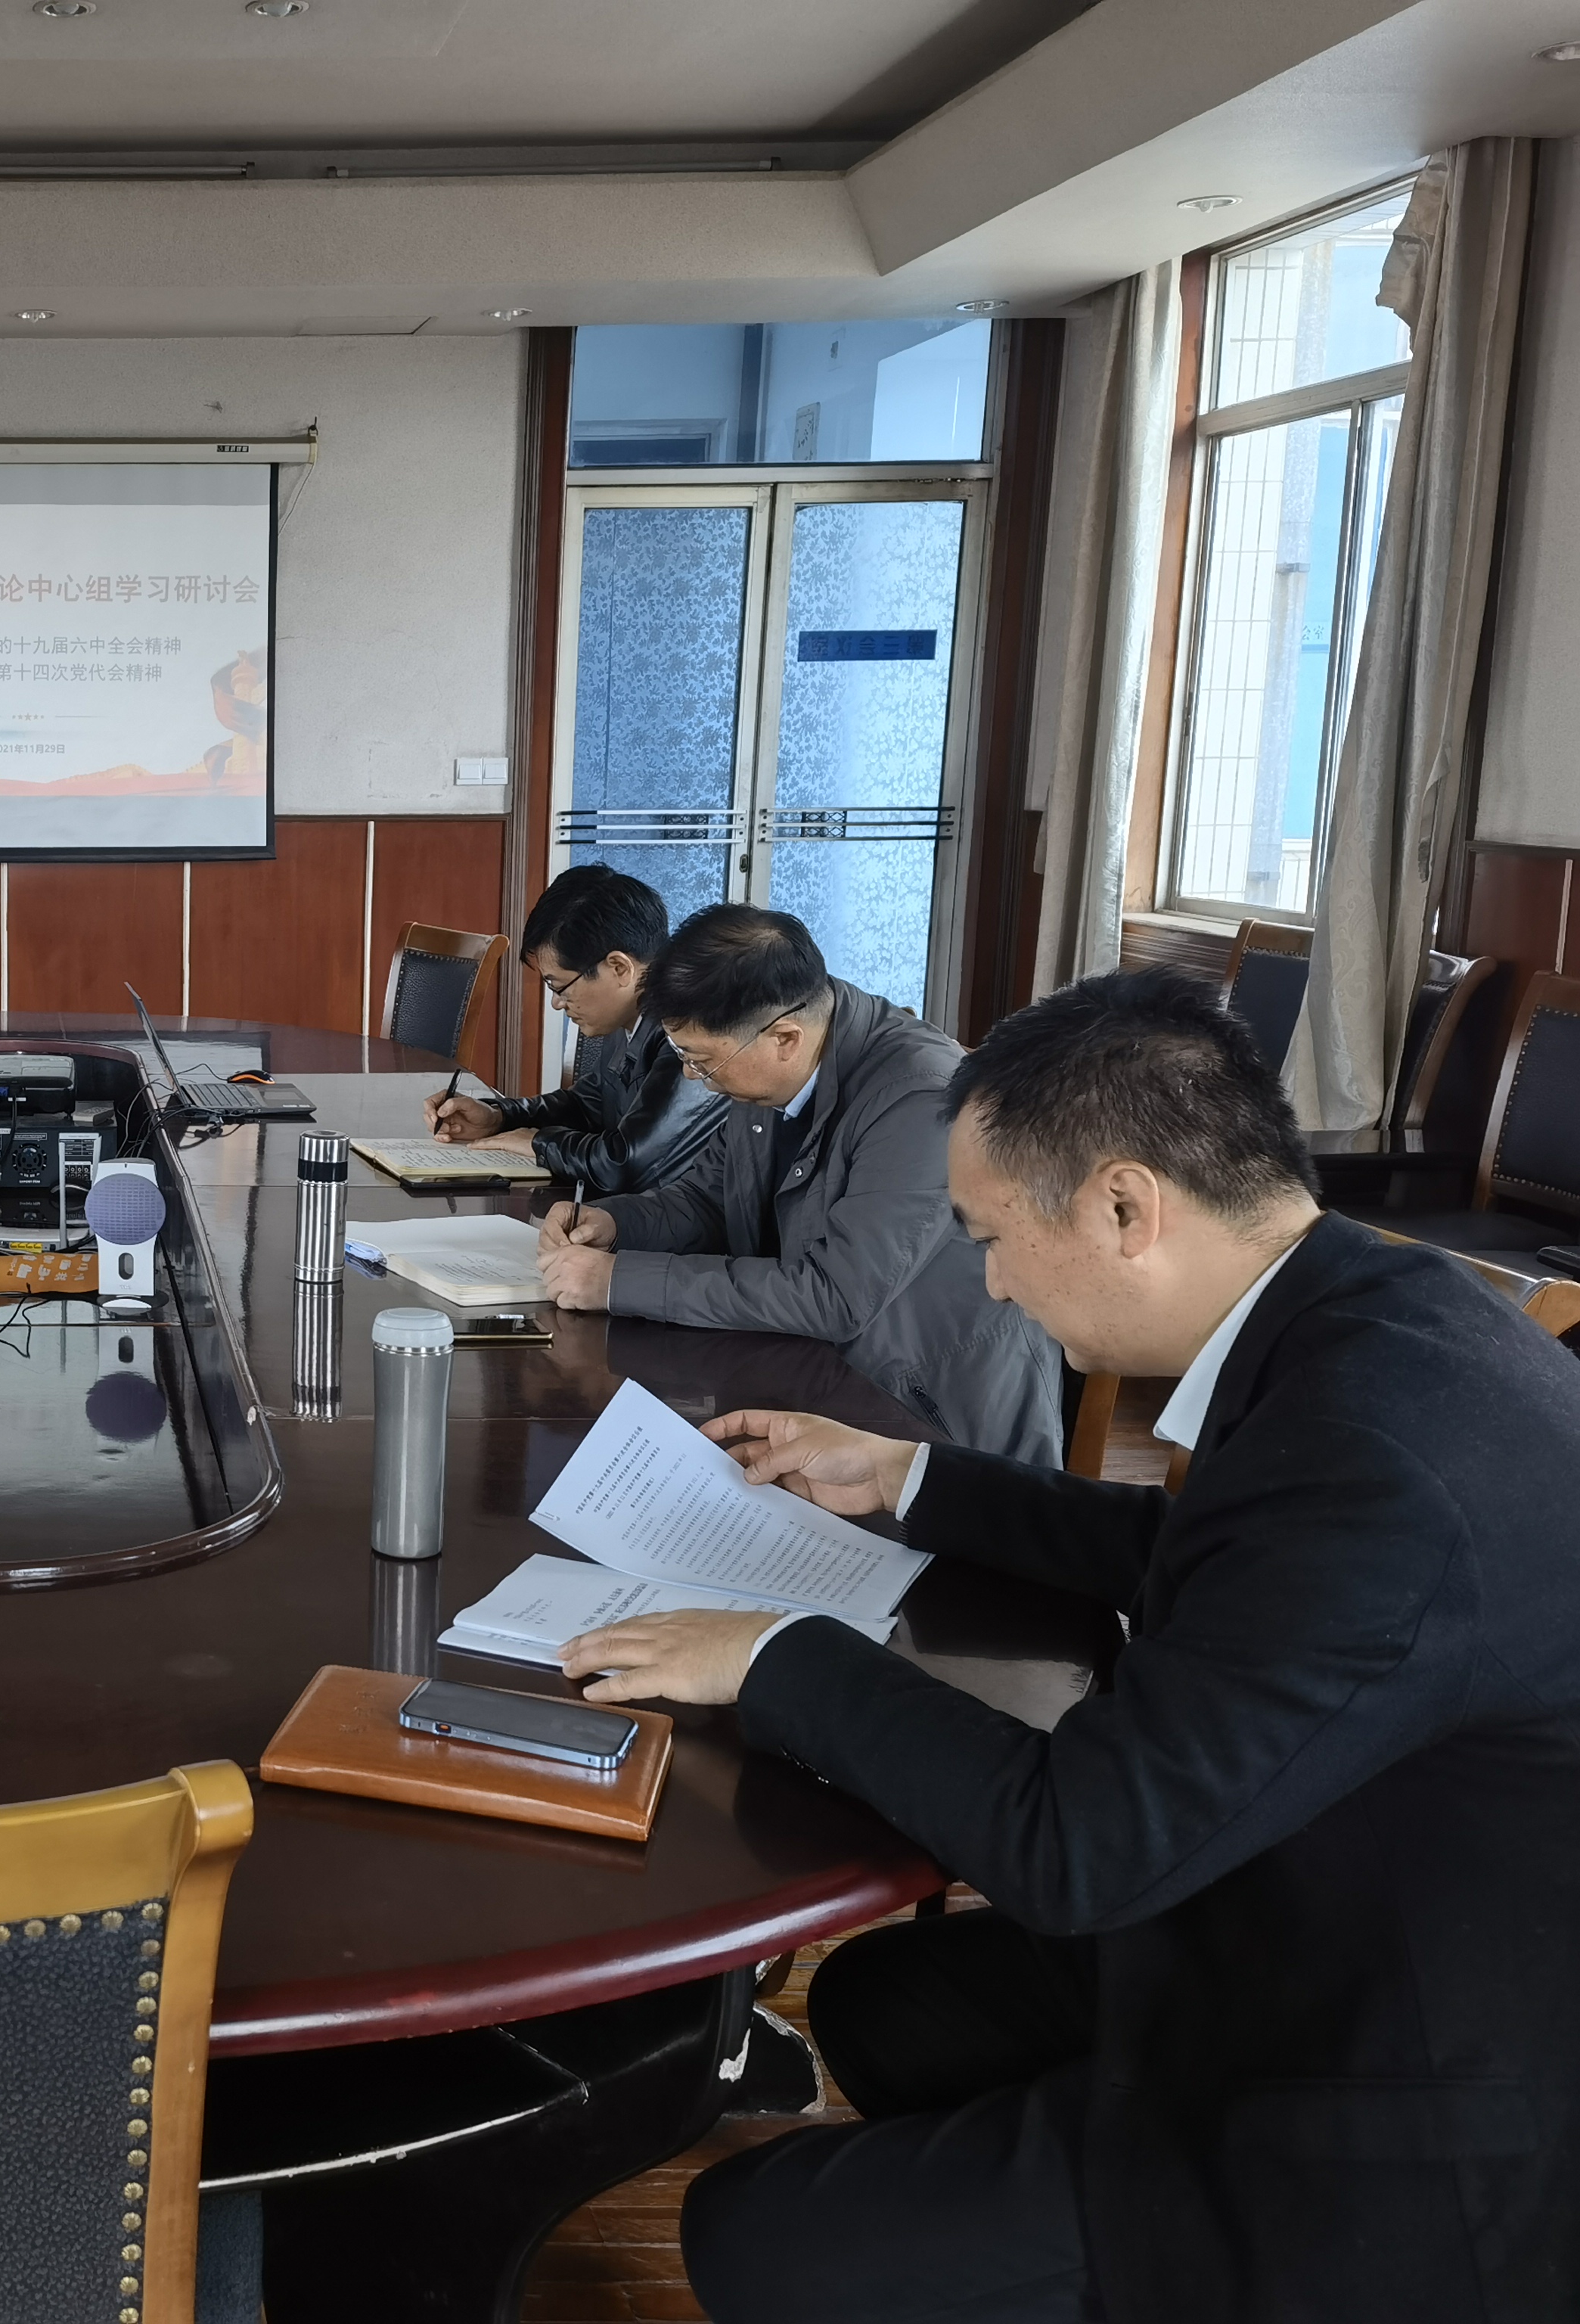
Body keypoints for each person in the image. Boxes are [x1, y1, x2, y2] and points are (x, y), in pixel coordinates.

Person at [557, 970, 1580, 2323]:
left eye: (991, 1235)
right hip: (1310, 1903)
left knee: (751, 2235)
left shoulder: (1376, 1461)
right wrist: (911, 1475)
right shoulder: (1371, 1311)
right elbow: (1211, 1556)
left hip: (1399, 2082)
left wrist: (773, 1654)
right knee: (884, 2003)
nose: (986, 1279)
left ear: (1123, 1207)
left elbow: (1077, 1847)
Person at [531, 903, 1057, 1463]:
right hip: (810, 1380)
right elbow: (709, 1197)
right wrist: (614, 1222)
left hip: (925, 1414)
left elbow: (835, 1296)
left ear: (784, 1038)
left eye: (701, 1061)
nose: (694, 1077)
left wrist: (617, 1281)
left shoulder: (919, 1098)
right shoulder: (772, 1060)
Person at [420, 863, 722, 1195]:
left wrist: (539, 1142)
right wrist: (499, 1117)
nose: (557, 1003)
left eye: (560, 987)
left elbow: (627, 1164)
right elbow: (587, 1105)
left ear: (619, 968)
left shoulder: (688, 1033)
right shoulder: (630, 1015)